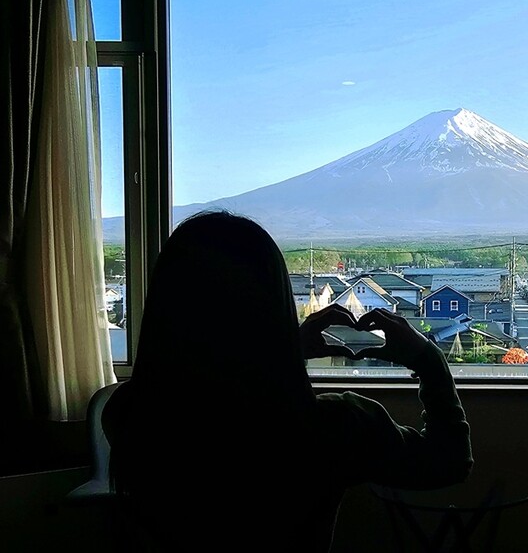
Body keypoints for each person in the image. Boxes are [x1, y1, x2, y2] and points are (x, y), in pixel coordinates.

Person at [101, 211, 473, 552]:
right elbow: (451, 461)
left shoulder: (128, 413)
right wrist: (428, 359)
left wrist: (286, 349)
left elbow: (220, 378)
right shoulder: (335, 427)